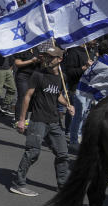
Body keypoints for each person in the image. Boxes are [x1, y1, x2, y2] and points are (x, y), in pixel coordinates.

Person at [10, 46, 73, 196]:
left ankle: (62, 186)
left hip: (54, 122)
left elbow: (57, 94)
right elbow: (27, 96)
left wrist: (68, 104)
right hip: (38, 120)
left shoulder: (60, 77)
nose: (47, 59)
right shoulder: (38, 75)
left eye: (51, 57)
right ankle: (18, 183)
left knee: (63, 154)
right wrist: (21, 120)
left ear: (59, 59)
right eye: (46, 56)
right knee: (32, 153)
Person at [69, 31, 108, 152]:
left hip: (86, 90)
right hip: (83, 91)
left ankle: (80, 139)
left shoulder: (103, 59)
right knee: (79, 116)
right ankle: (73, 141)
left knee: (85, 116)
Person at [0, 47, 17, 117]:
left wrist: (11, 65)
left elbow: (11, 54)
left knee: (12, 88)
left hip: (7, 68)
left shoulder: (7, 41)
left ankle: (5, 106)